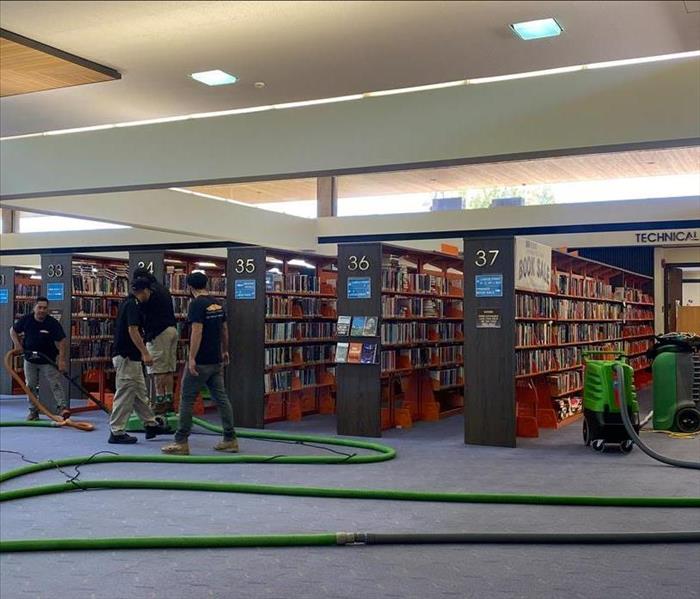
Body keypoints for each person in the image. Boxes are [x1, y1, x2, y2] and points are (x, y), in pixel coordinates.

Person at [161, 272, 237, 455]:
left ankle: (181, 442)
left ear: (190, 287)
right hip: (216, 359)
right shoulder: (217, 303)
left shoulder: (196, 304)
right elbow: (225, 329)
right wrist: (225, 350)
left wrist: (192, 358)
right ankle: (230, 439)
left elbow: (197, 331)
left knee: (186, 399)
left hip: (201, 360)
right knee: (222, 398)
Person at [109, 278, 169, 444]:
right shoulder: (133, 305)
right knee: (125, 393)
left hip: (130, 357)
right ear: (145, 291)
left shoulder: (127, 303)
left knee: (139, 393)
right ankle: (116, 431)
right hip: (127, 356)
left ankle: (150, 424)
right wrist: (145, 353)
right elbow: (133, 330)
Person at [9, 297, 69, 420]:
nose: (42, 310)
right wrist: (17, 344)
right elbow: (13, 330)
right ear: (34, 308)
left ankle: (62, 409)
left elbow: (62, 341)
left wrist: (62, 360)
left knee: (55, 383)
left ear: (47, 309)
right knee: (30, 385)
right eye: (39, 307)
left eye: (44, 308)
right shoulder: (26, 320)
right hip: (30, 359)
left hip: (47, 359)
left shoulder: (52, 323)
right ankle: (33, 411)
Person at [132, 267, 178, 415]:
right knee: (169, 368)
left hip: (158, 333)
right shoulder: (163, 289)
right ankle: (169, 401)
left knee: (158, 370)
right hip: (172, 329)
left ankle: (159, 402)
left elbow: (144, 313)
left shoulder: (149, 292)